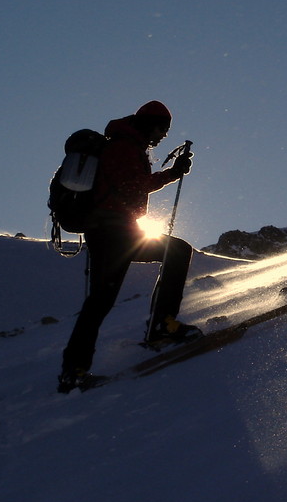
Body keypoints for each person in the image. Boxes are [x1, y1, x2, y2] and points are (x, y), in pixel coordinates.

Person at [58, 100, 198, 393]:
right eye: (161, 128)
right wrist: (172, 173)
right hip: (114, 231)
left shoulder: (126, 144)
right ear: (149, 124)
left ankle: (74, 370)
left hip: (111, 231)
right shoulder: (123, 147)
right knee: (175, 251)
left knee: (100, 301)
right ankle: (161, 327)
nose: (162, 136)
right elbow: (130, 186)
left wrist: (170, 173)